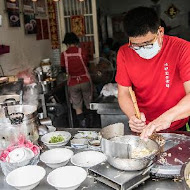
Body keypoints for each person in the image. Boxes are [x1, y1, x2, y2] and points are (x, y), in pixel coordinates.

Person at [115, 7, 190, 140]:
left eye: (148, 43)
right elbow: (124, 93)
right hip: (144, 129)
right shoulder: (124, 53)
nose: (142, 49)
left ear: (160, 32)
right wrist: (133, 116)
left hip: (177, 124)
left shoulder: (182, 49)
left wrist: (167, 118)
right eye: (136, 46)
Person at [61, 32, 92, 128]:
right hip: (85, 80)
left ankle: (82, 125)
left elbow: (63, 69)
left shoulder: (64, 54)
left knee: (77, 106)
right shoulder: (82, 51)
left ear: (66, 43)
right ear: (76, 42)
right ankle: (91, 124)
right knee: (88, 103)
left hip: (72, 82)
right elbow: (87, 64)